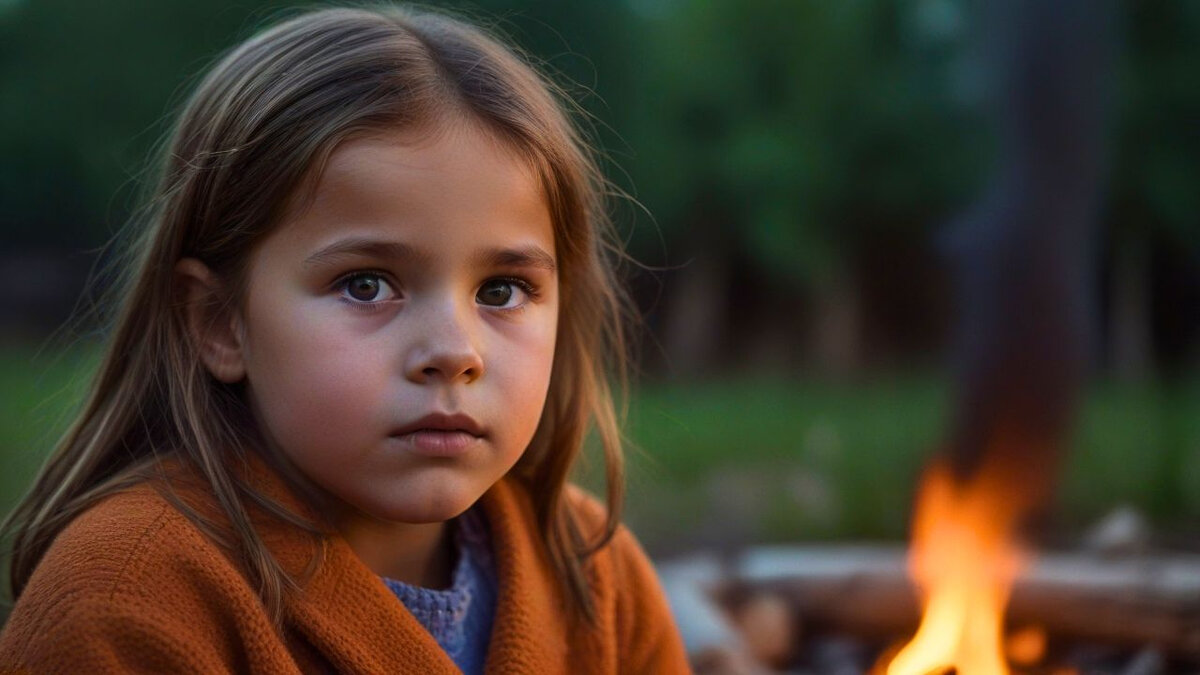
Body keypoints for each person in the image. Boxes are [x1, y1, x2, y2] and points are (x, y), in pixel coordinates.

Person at [0, 5, 689, 673]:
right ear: (218, 321)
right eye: (366, 285)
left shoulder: (590, 570)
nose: (455, 350)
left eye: (501, 290)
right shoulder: (128, 597)